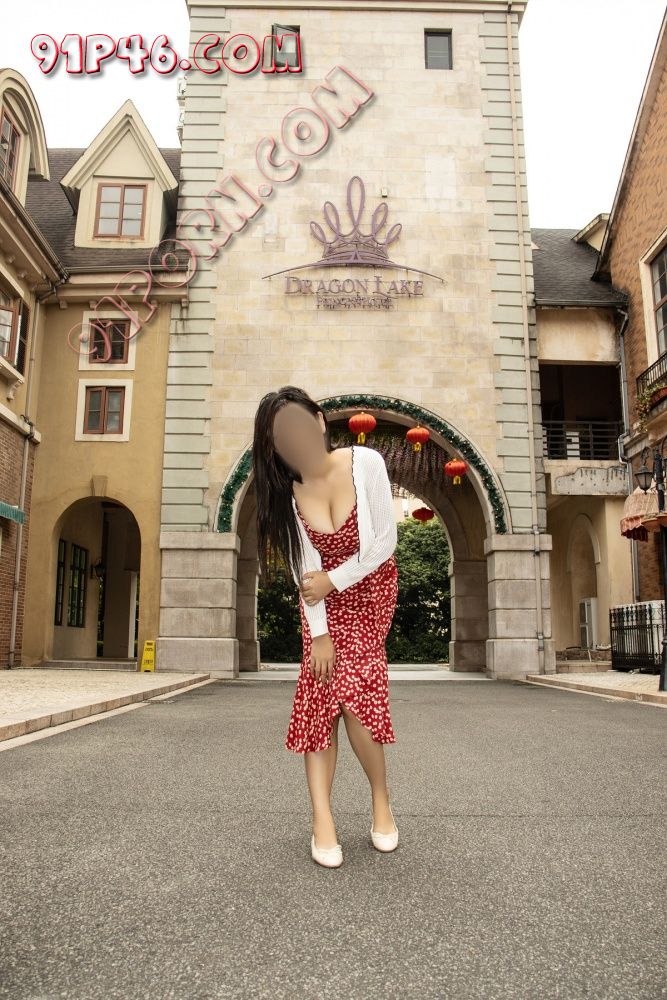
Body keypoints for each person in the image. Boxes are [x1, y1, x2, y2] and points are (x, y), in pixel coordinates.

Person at [253, 386, 400, 868]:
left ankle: (381, 800)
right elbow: (305, 572)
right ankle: (322, 818)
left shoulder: (365, 462)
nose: (294, 440)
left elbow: (383, 542)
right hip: (320, 606)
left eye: (298, 425)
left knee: (355, 700)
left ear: (319, 420)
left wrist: (334, 580)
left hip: (369, 592)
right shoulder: (286, 495)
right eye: (280, 437)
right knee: (320, 698)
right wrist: (318, 634)